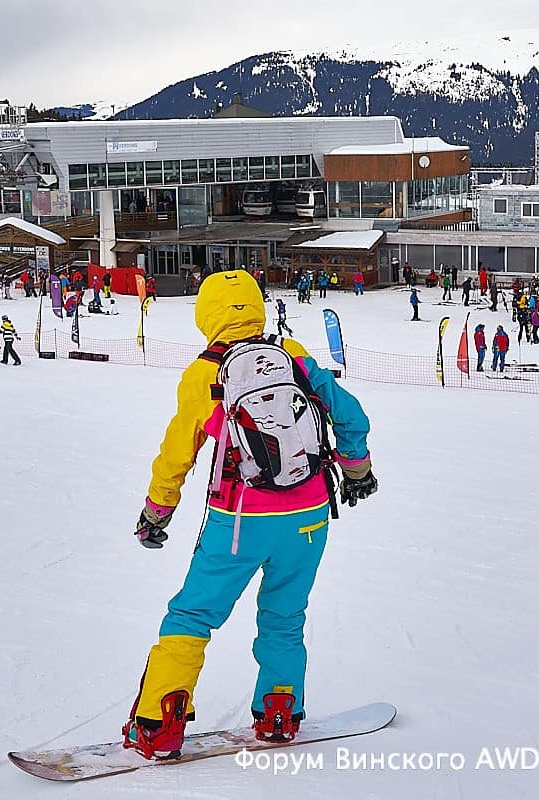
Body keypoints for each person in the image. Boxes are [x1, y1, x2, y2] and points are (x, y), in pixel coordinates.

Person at [122, 270, 374, 760]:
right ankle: (279, 709)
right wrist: (357, 470)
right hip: (309, 516)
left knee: (193, 613)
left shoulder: (205, 374)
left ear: (207, 314)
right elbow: (350, 415)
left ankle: (160, 721)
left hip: (238, 520)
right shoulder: (294, 356)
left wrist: (157, 513)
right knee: (284, 616)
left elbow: (177, 454)